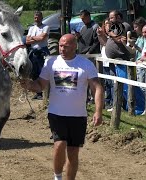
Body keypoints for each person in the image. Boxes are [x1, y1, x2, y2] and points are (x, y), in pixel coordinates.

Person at [20, 34, 103, 180]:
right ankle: (57, 177)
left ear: (74, 46)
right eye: (60, 45)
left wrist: (98, 111)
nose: (62, 49)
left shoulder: (85, 64)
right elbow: (41, 85)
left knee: (73, 152)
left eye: (66, 46)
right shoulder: (51, 63)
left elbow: (97, 88)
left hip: (78, 115)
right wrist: (29, 85)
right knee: (59, 144)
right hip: (56, 113)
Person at [26, 11, 50, 100]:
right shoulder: (31, 28)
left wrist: (32, 38)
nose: (36, 19)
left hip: (42, 51)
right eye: (35, 18)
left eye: (38, 17)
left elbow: (42, 38)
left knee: (43, 71)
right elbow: (27, 41)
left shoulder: (46, 27)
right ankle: (38, 93)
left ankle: (46, 93)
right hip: (33, 52)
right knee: (34, 72)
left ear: (41, 18)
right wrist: (36, 38)